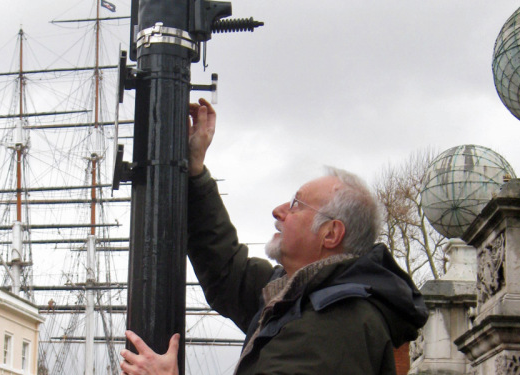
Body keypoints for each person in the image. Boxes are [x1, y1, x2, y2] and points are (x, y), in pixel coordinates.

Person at [120, 99, 428, 375]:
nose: (278, 211)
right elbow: (228, 272)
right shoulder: (297, 296)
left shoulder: (335, 323)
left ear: (330, 233)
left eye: (296, 204)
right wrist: (196, 170)